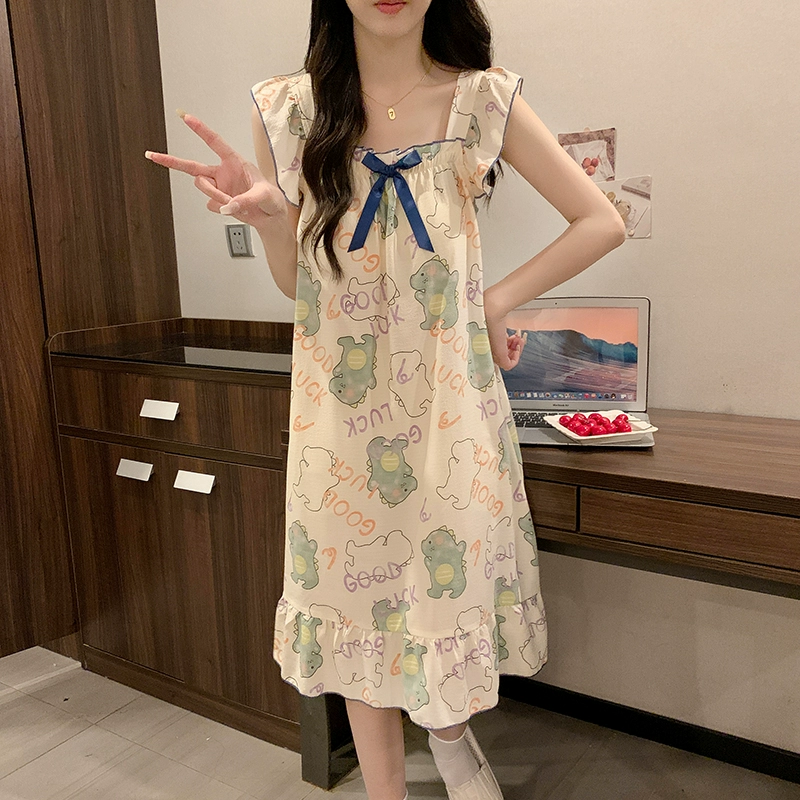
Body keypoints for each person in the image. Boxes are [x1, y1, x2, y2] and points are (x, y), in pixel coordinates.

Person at [146, 1, 625, 798]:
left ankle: (451, 739)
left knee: (443, 592)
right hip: (339, 412)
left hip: (449, 411)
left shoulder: (482, 101)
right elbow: (302, 287)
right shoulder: (286, 111)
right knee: (353, 605)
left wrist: (494, 301)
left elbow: (600, 221)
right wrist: (270, 222)